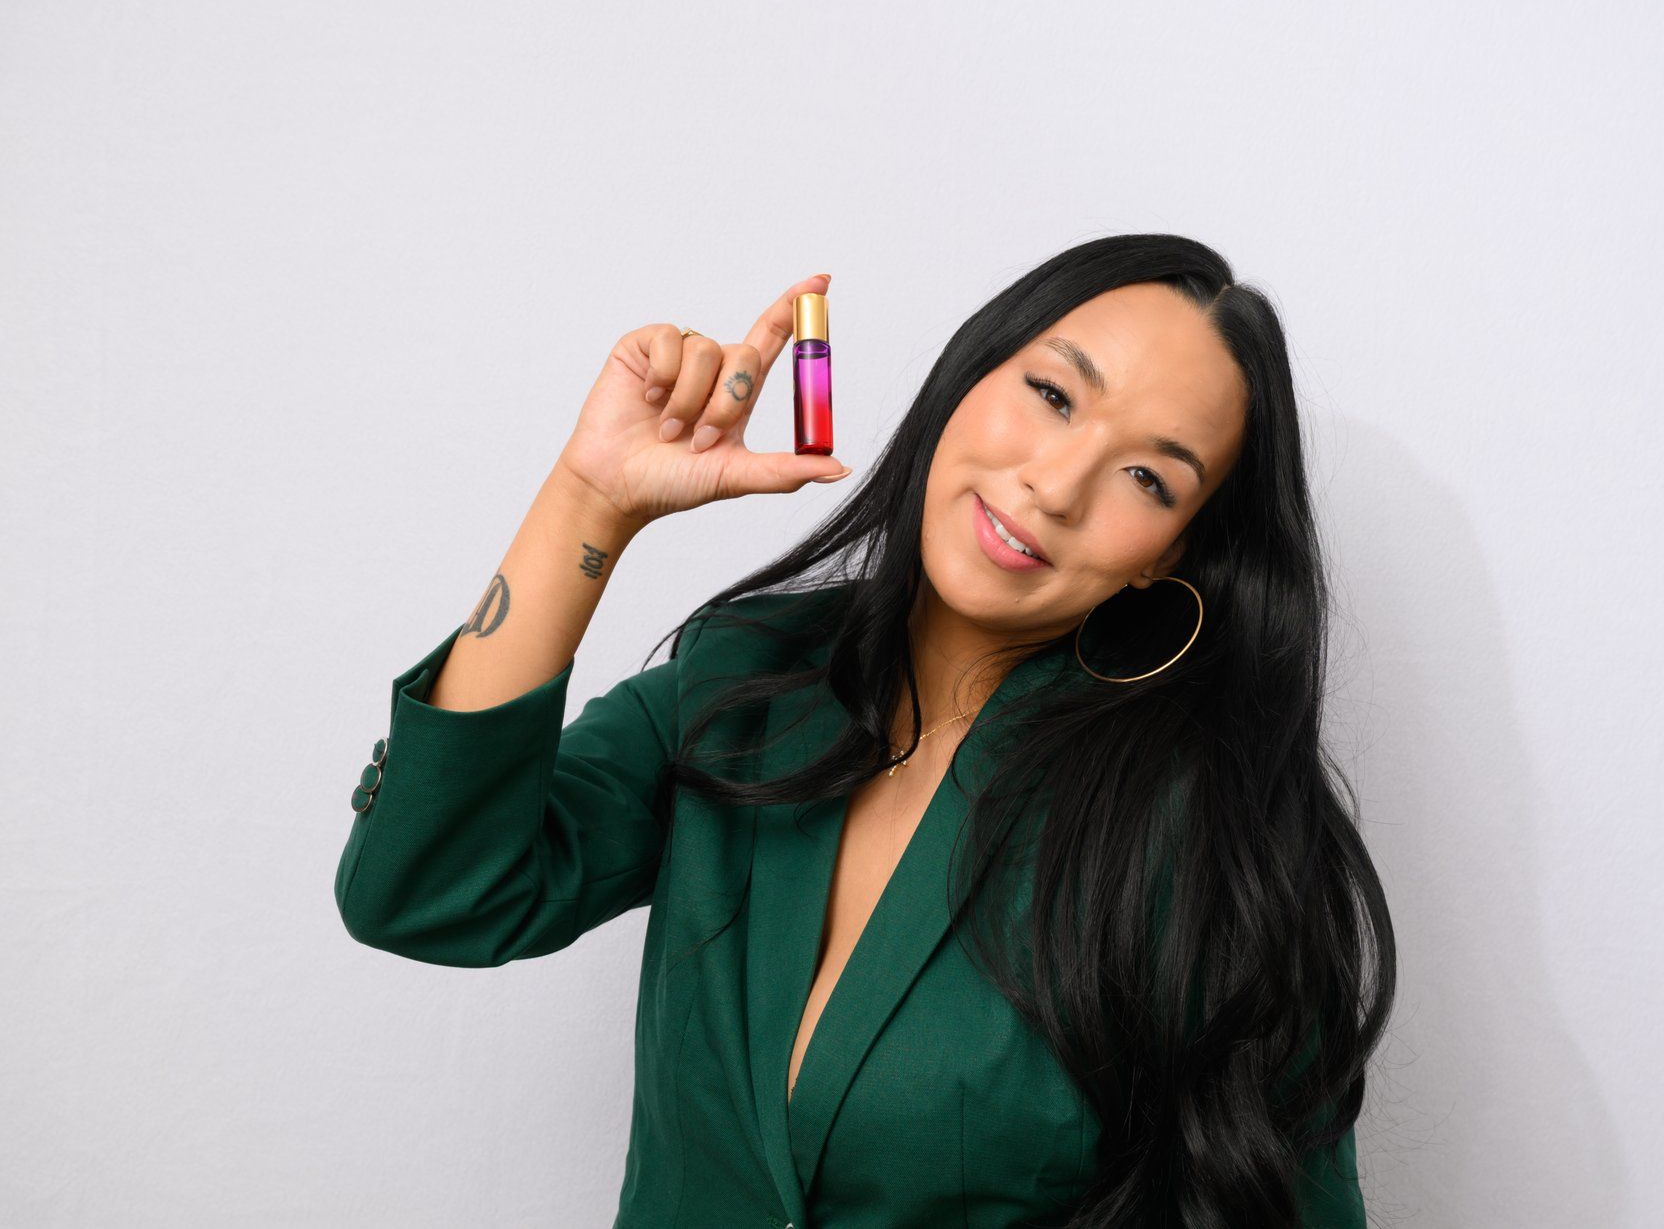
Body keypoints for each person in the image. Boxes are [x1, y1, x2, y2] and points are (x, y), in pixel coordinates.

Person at [335, 233, 1396, 1228]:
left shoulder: (1215, 840)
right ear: (966, 377)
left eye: (1146, 477)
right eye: (1050, 393)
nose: (1056, 485)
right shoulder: (743, 681)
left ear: (1167, 554)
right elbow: (428, 892)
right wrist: (588, 504)